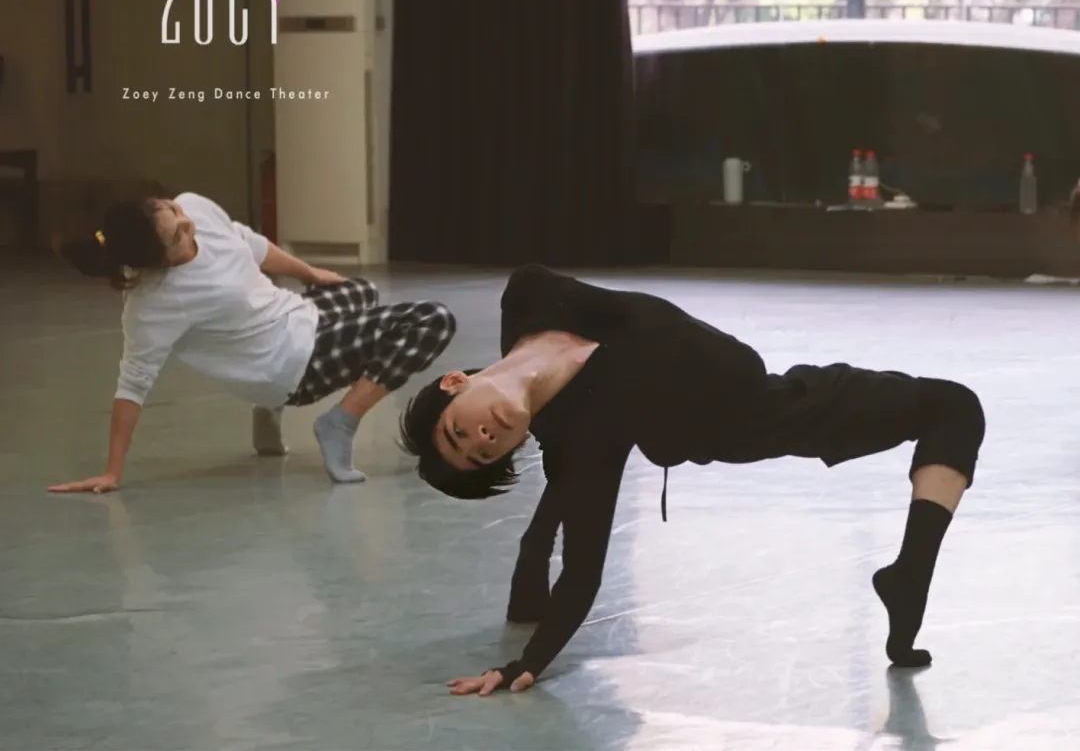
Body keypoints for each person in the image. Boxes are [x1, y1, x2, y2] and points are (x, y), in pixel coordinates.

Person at [399, 264, 986, 696]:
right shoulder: (578, 443)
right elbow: (582, 573)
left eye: (460, 431)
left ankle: (908, 575)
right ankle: (910, 583)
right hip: (753, 418)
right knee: (952, 406)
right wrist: (525, 665)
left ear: (454, 382)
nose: (482, 438)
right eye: (482, 454)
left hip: (761, 384)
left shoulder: (530, 294)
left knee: (954, 409)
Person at [49, 191, 455, 493]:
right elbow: (133, 383)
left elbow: (248, 243)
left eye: (175, 212)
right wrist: (112, 472)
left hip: (295, 316)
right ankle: (339, 421)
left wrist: (310, 274)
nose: (188, 226)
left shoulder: (194, 207)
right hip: (294, 364)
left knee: (361, 290)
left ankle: (269, 408)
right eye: (177, 238)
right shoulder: (153, 303)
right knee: (432, 321)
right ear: (155, 262)